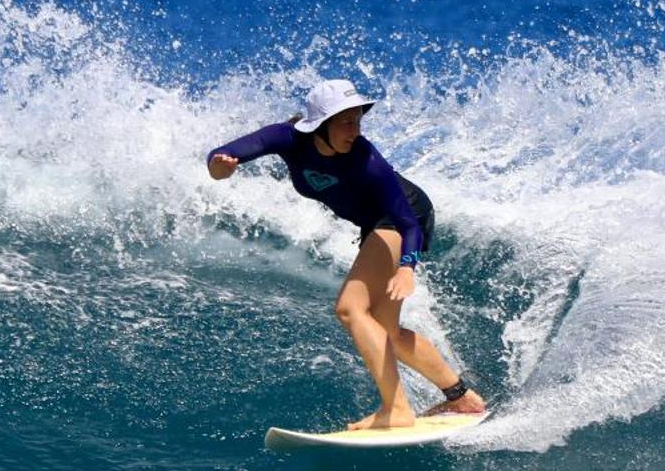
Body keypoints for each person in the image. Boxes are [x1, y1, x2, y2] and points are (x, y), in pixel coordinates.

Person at [206, 79, 487, 430]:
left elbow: (408, 223)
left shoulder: (366, 158)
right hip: (376, 223)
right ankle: (462, 398)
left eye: (358, 120)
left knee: (350, 308)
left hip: (405, 214)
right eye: (346, 122)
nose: (355, 130)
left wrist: (407, 268)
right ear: (320, 124)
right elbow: (222, 157)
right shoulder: (288, 138)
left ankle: (396, 410)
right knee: (386, 328)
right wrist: (221, 168)